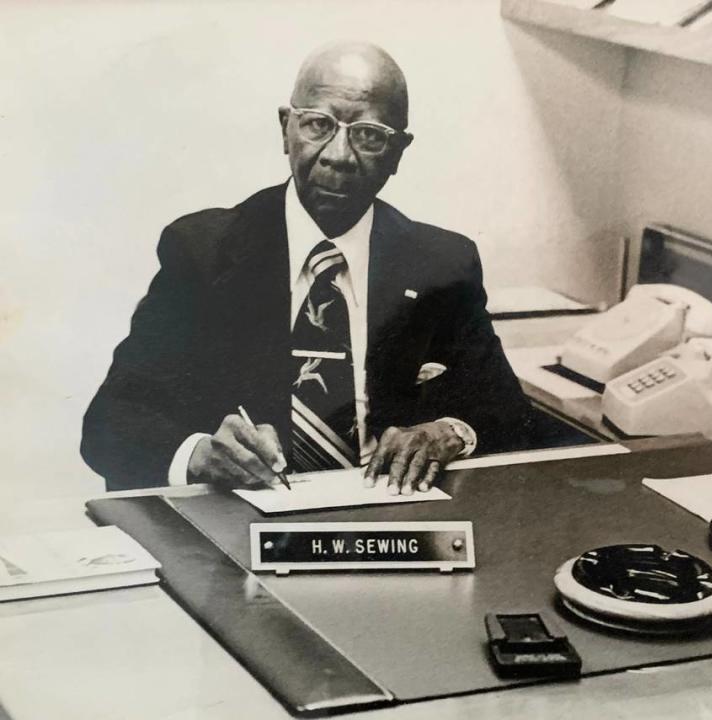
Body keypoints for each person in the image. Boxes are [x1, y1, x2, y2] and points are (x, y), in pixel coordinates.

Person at [81, 42, 536, 494]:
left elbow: (506, 412)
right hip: (245, 520)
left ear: (399, 151)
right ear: (286, 128)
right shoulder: (203, 252)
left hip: (392, 522)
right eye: (318, 125)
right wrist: (200, 454)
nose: (338, 155)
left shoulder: (441, 263)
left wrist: (448, 432)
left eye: (369, 135)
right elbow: (112, 421)